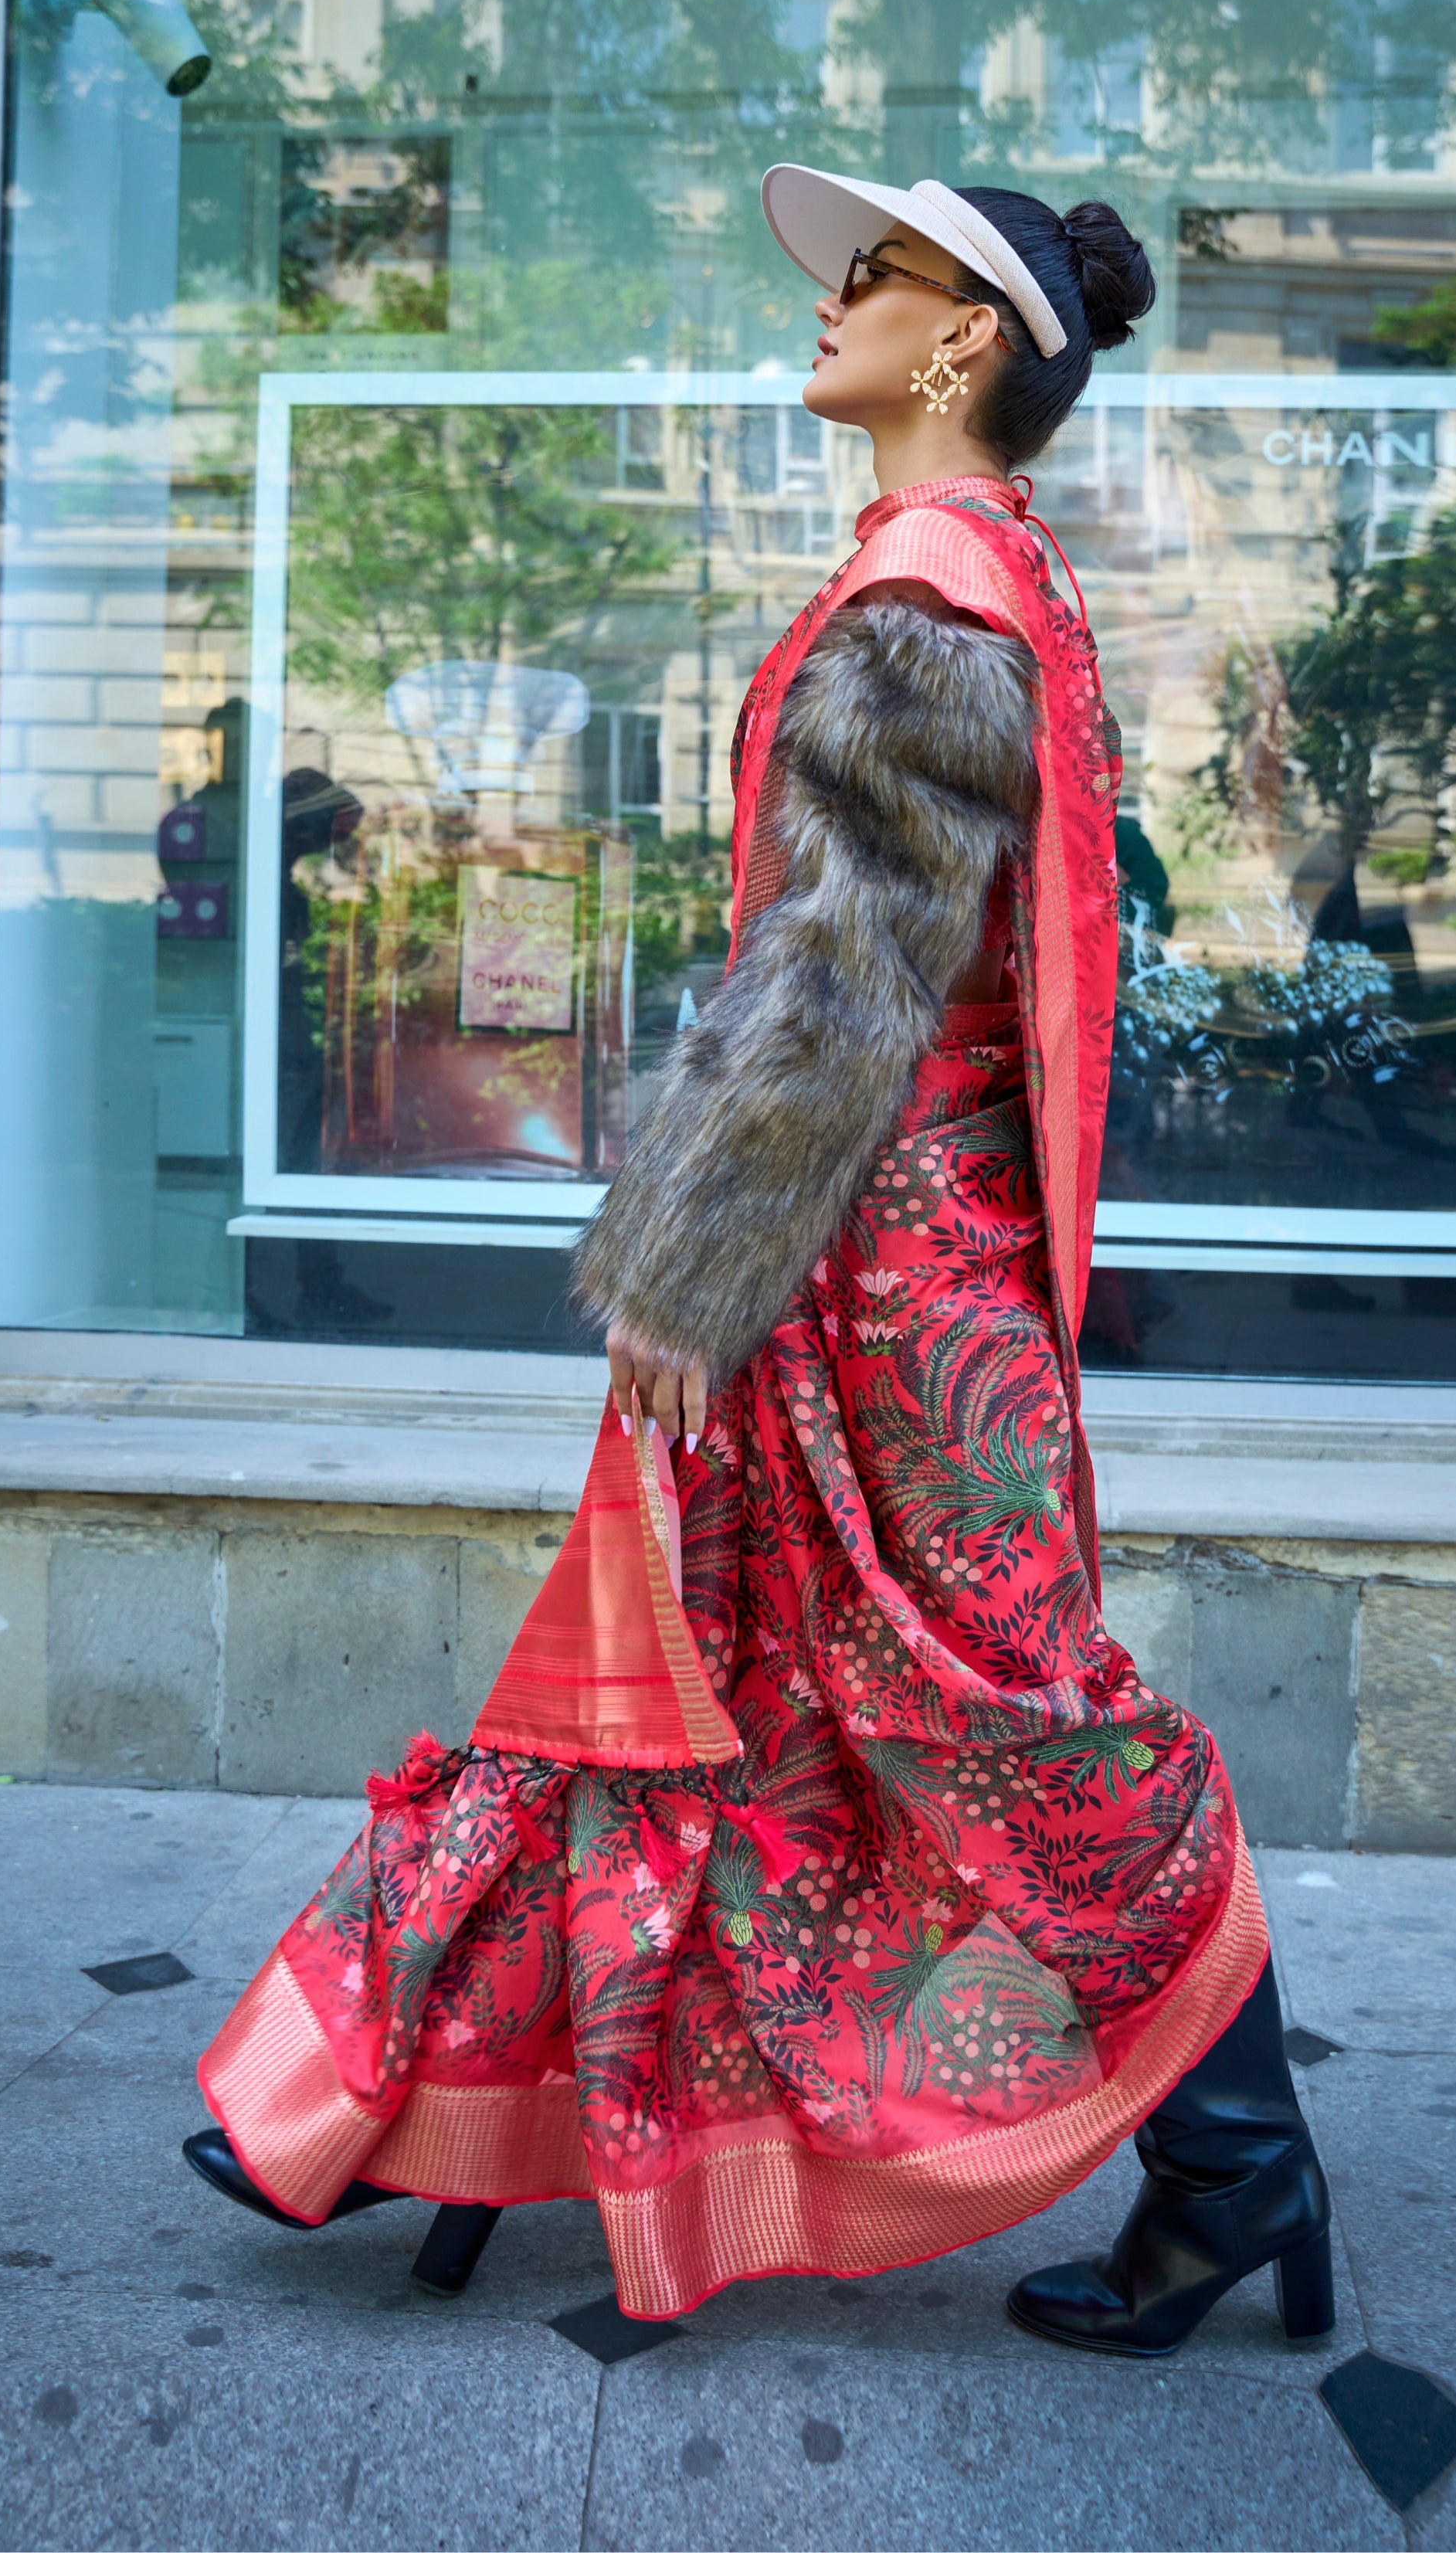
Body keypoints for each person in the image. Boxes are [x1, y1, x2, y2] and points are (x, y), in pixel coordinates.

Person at [180, 168, 1333, 2353]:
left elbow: (839, 978)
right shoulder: (992, 574)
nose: (830, 304)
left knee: (1006, 1711)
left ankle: (1237, 2159)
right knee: (731, 1691)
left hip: (872, 1273)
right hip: (887, 1251)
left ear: (968, 340)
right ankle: (438, 2102)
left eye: (872, 277)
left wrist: (693, 1272)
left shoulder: (925, 586)